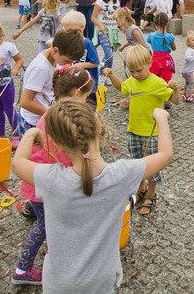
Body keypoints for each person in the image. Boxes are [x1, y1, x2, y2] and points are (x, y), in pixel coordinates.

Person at [12, 99, 173, 292]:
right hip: (102, 282)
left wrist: (31, 133)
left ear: (59, 146)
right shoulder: (122, 174)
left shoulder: (50, 178)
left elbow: (18, 162)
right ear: (99, 126)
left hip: (59, 284)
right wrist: (161, 118)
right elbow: (165, 154)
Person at [11, 69, 90, 286]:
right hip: (43, 184)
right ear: (76, 94)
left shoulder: (54, 111)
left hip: (37, 180)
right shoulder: (66, 119)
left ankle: (52, 250)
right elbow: (68, 155)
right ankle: (22, 269)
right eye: (85, 97)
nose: (86, 102)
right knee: (45, 224)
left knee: (49, 221)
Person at [103, 46, 180, 216]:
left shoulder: (158, 83)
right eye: (131, 71)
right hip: (133, 131)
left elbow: (175, 101)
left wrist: (175, 89)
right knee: (137, 163)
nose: (136, 74)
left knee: (152, 167)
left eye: (139, 70)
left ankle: (151, 192)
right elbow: (122, 88)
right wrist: (111, 74)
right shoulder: (131, 81)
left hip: (152, 133)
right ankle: (141, 186)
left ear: (149, 63)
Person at [18, 29, 85, 136]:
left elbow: (51, 42)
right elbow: (25, 102)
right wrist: (54, 115)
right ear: (55, 50)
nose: (71, 64)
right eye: (67, 61)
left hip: (45, 115)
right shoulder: (40, 68)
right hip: (34, 122)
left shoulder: (55, 56)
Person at [61, 11, 100, 106]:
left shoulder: (88, 44)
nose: (68, 33)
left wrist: (81, 65)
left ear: (82, 27)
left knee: (89, 107)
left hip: (88, 85)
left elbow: (96, 62)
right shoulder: (70, 43)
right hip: (76, 83)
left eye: (70, 30)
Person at [92, 0, 120, 76]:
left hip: (114, 31)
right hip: (103, 31)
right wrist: (100, 26)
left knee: (111, 54)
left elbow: (117, 17)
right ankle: (100, 72)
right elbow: (93, 17)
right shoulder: (100, 2)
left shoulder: (117, 2)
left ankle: (108, 74)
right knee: (109, 54)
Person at [147, 12, 177, 83]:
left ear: (155, 23)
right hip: (166, 61)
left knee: (153, 81)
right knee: (166, 82)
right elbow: (174, 48)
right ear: (167, 23)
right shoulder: (170, 36)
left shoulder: (151, 35)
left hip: (155, 60)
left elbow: (149, 43)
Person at [181, 31, 194, 102]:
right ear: (188, 43)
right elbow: (187, 58)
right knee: (191, 83)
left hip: (189, 71)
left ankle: (185, 94)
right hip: (188, 71)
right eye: (193, 40)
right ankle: (188, 96)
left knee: (187, 83)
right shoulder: (189, 50)